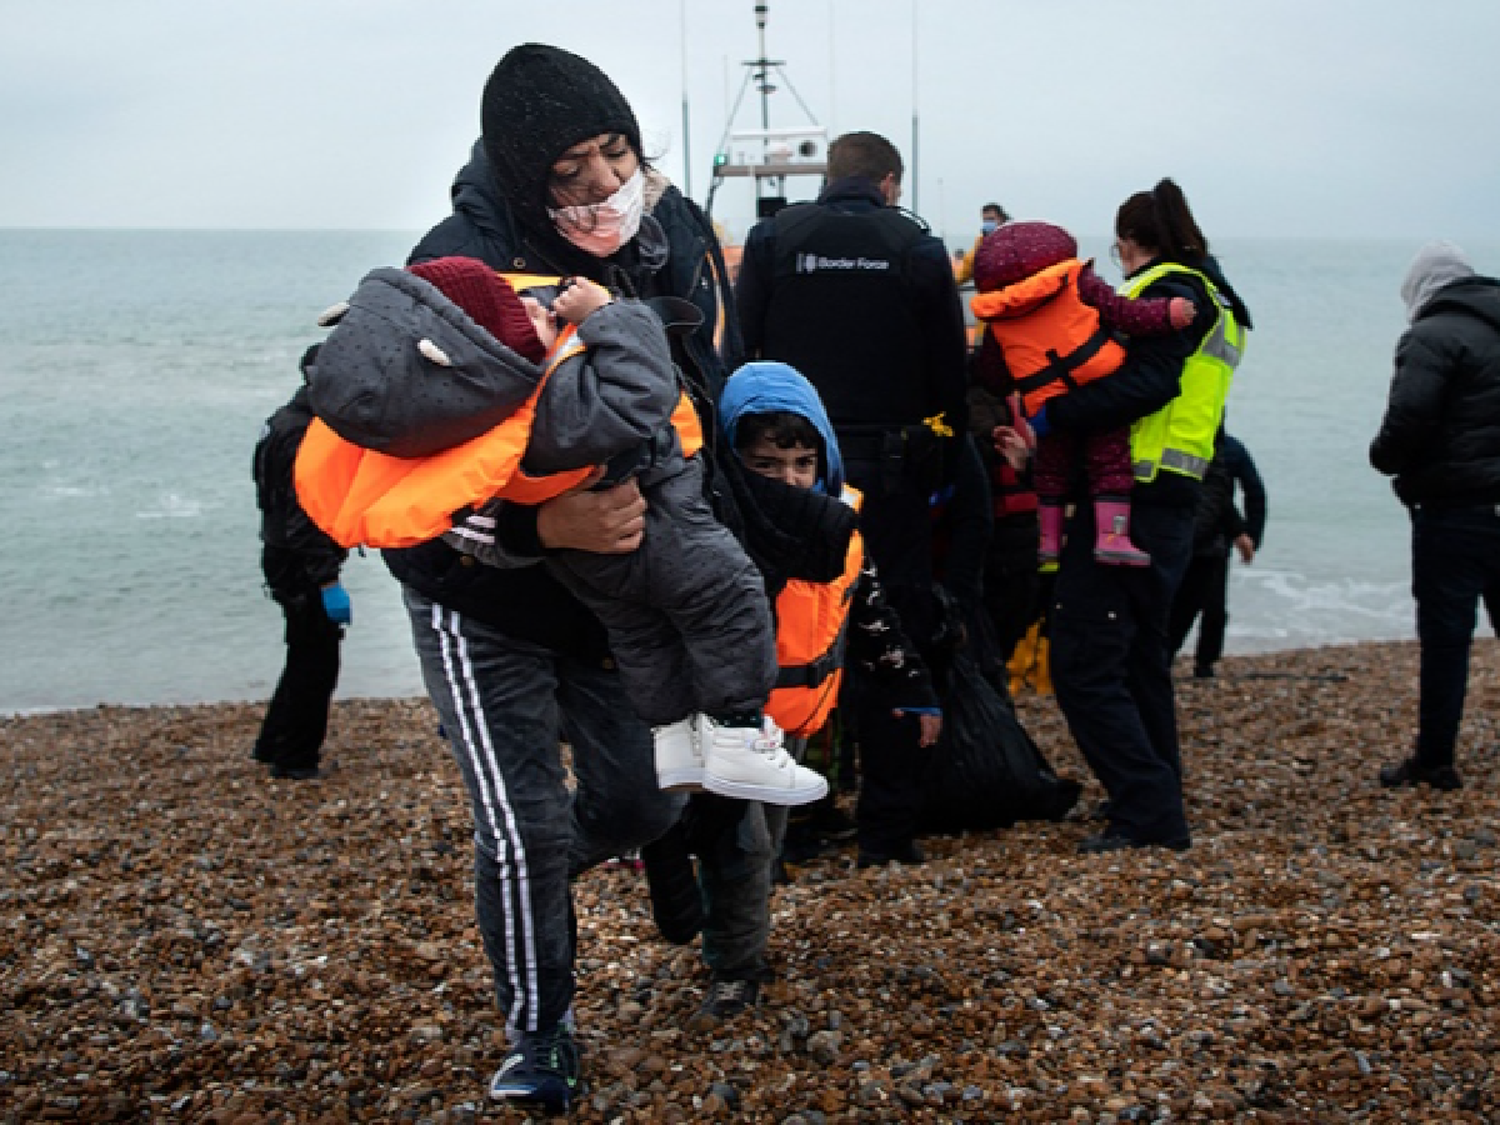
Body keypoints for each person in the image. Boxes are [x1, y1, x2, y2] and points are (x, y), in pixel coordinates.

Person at [325, 44, 739, 1112]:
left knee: (641, 806)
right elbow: (383, 488)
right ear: (523, 176)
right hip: (479, 591)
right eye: (570, 170)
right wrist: (534, 522)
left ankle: (553, 880)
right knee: (524, 826)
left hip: (613, 597)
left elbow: (704, 409)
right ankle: (540, 1034)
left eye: (617, 152)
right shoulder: (449, 267)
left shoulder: (673, 232)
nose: (605, 185)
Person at [301, 255, 825, 806]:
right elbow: (643, 391)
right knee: (730, 600)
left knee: (641, 633)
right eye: (520, 315)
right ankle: (740, 734)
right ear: (491, 359)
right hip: (660, 526)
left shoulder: (466, 423)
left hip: (586, 562)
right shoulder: (558, 405)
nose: (535, 303)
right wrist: (609, 315)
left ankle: (675, 743)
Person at [685, 360, 942, 1028]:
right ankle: (735, 966)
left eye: (803, 461)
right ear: (732, 461)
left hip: (797, 717)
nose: (791, 480)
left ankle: (740, 927)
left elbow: (872, 612)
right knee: (739, 845)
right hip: (729, 723)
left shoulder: (839, 523)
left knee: (764, 845)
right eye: (766, 465)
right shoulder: (714, 529)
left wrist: (912, 688)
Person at [1017, 178, 1252, 853]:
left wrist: (1050, 415)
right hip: (1176, 496)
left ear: (1126, 245)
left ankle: (1148, 807)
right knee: (1141, 657)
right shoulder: (1223, 301)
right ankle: (1156, 790)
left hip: (1130, 495)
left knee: (1084, 664)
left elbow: (1148, 384)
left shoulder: (1164, 295)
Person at [736, 129, 969, 676]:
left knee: (796, 599)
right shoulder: (918, 247)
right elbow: (949, 374)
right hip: (892, 465)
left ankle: (804, 729)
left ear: (830, 177)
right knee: (896, 601)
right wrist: (947, 467)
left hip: (792, 462)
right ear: (888, 183)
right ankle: (897, 729)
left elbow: (740, 354)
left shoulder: (774, 239)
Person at [971, 219, 1198, 568]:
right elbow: (1125, 314)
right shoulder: (1077, 281)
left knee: (1050, 470)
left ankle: (1047, 542)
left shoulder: (998, 319)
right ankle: (1112, 537)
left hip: (1046, 402)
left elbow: (994, 377)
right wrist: (1168, 312)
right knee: (1110, 464)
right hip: (1098, 384)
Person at [1371, 240, 1500, 792]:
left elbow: (1410, 417)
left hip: (1456, 509)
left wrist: (1385, 459)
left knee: (1447, 637)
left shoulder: (1430, 337)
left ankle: (1434, 760)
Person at [250, 360, 350, 781]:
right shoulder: (303, 433)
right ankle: (295, 757)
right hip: (299, 560)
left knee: (302, 650)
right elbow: (301, 515)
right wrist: (327, 579)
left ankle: (274, 740)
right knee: (317, 657)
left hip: (280, 552)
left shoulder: (280, 421)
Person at [1169, 431, 1267, 678]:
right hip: (1188, 538)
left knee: (1211, 609)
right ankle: (1170, 660)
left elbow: (1253, 491)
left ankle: (1203, 664)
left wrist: (1252, 535)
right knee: (1185, 607)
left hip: (1209, 542)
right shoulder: (1212, 447)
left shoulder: (1230, 449)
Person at [954, 201, 1010, 286]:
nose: (988, 223)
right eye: (985, 220)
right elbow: (968, 266)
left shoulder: (1012, 237)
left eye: (991, 219)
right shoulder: (981, 241)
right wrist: (949, 282)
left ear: (1001, 218)